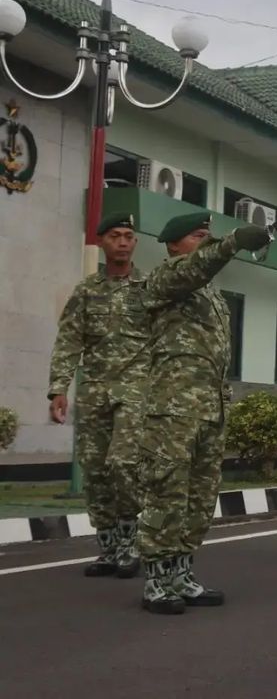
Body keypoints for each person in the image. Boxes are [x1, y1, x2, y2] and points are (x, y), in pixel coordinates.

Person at [137, 213, 271, 614]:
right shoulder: (165, 278)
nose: (206, 243)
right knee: (167, 492)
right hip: (172, 408)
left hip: (210, 406)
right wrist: (232, 241)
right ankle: (157, 580)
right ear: (174, 243)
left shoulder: (209, 292)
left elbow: (204, 269)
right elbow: (197, 267)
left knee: (200, 497)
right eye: (199, 236)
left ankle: (182, 571)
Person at [47, 214, 149, 579]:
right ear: (103, 242)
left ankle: (130, 541)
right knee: (96, 471)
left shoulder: (150, 287)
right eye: (115, 236)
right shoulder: (87, 290)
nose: (123, 242)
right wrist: (59, 387)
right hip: (94, 393)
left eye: (129, 236)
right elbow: (69, 340)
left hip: (136, 390)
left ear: (134, 243)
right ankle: (108, 548)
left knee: (124, 463)